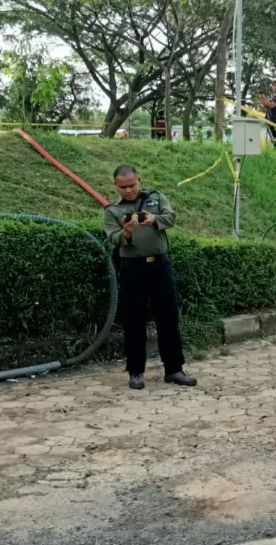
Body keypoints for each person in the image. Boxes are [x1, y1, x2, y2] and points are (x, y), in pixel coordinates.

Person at [102, 165, 197, 390]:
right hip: (132, 268)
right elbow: (113, 239)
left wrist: (154, 219)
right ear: (115, 186)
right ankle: (136, 373)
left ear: (139, 181)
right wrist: (125, 232)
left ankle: (174, 369)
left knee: (168, 318)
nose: (128, 190)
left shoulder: (156, 198)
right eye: (123, 187)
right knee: (133, 320)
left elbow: (171, 218)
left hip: (160, 266)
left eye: (132, 185)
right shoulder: (112, 211)